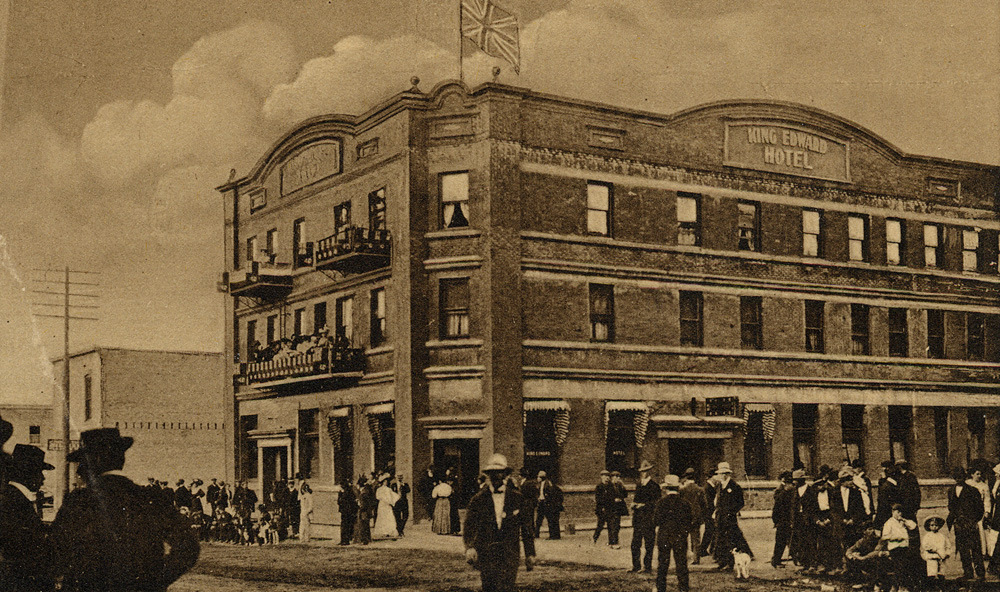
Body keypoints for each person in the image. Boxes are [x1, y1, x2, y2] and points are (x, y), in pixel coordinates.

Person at [51, 428, 199, 591]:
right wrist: (155, 581)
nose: (79, 470)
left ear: (96, 460)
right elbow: (188, 546)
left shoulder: (78, 501)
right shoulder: (150, 498)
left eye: (83, 462)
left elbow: (55, 552)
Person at [463, 453, 536, 592]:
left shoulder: (516, 498)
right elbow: (469, 525)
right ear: (488, 476)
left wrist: (530, 554)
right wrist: (470, 547)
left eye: (499, 473)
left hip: (510, 553)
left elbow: (527, 528)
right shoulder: (478, 499)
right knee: (489, 587)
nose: (496, 477)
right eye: (492, 473)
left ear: (505, 475)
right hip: (487, 553)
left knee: (507, 586)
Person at [0, 444, 55, 592]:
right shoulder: (14, 502)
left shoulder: (13, 497)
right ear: (27, 472)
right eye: (39, 472)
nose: (43, 478)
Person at [653, 475, 693, 592]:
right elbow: (689, 521)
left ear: (666, 489)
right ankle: (683, 588)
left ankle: (661, 588)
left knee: (663, 564)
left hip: (664, 537)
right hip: (680, 537)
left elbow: (655, 521)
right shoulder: (685, 503)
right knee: (681, 564)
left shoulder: (661, 503)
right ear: (677, 488)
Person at [947, 466, 985, 581]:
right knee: (963, 549)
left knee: (975, 549)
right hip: (959, 525)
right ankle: (968, 572)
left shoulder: (972, 491)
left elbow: (980, 509)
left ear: (964, 477)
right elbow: (951, 507)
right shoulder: (951, 491)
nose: (959, 479)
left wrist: (973, 521)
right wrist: (954, 520)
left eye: (961, 477)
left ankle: (980, 574)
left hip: (970, 524)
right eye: (956, 477)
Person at [712, 461, 748, 572]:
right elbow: (717, 500)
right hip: (720, 517)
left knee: (730, 540)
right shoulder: (719, 485)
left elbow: (740, 502)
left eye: (724, 473)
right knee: (720, 540)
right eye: (720, 473)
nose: (722, 475)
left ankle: (730, 563)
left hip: (729, 518)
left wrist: (731, 512)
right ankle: (722, 562)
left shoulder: (734, 486)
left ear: (728, 474)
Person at [630, 460, 661, 573]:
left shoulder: (654, 486)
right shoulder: (639, 485)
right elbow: (636, 500)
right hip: (638, 520)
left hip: (648, 520)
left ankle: (647, 567)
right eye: (642, 472)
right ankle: (636, 566)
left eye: (645, 471)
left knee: (649, 545)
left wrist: (643, 505)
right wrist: (634, 505)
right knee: (635, 544)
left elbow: (656, 504)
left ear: (649, 472)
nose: (643, 473)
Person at [880, 503, 917, 592]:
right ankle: (899, 586)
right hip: (895, 547)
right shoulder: (889, 523)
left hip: (904, 547)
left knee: (904, 566)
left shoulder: (903, 521)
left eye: (901, 512)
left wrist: (903, 520)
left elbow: (913, 526)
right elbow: (884, 536)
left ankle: (899, 586)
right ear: (893, 512)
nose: (900, 514)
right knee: (899, 566)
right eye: (898, 512)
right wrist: (896, 537)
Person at [679, 468, 706, 564]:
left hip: (685, 517)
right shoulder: (700, 490)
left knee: (684, 538)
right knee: (696, 538)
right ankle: (696, 559)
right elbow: (704, 505)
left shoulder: (682, 490)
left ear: (686, 478)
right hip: (696, 517)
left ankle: (684, 558)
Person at [770, 470, 796, 568]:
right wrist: (776, 521)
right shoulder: (780, 490)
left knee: (791, 540)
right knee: (781, 541)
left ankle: (796, 559)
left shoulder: (790, 489)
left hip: (788, 519)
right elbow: (777, 506)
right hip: (782, 520)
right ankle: (776, 560)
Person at [535, 471, 563, 539]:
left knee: (550, 519)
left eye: (538, 477)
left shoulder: (548, 484)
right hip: (541, 503)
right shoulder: (539, 484)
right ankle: (536, 534)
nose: (537, 478)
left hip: (547, 503)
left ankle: (553, 535)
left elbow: (550, 494)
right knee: (539, 519)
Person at [920, 516, 950, 580]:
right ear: (929, 526)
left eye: (936, 525)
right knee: (932, 573)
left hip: (942, 557)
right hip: (932, 557)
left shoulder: (942, 536)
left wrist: (947, 553)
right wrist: (933, 549)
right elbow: (925, 546)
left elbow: (948, 545)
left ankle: (941, 586)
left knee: (941, 573)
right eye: (932, 525)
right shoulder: (927, 536)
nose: (934, 527)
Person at [374, 473, 400, 539]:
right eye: (385, 482)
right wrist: (387, 500)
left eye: (386, 481)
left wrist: (393, 499)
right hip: (383, 504)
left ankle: (388, 531)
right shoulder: (380, 489)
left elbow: (391, 496)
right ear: (383, 482)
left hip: (385, 504)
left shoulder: (388, 489)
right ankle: (383, 531)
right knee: (383, 517)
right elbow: (378, 497)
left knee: (388, 517)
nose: (386, 483)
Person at [593, 470, 615, 545]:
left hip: (609, 508)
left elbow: (612, 496)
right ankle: (595, 538)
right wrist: (602, 507)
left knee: (611, 525)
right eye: (605, 476)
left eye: (608, 476)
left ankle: (611, 541)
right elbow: (598, 498)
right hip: (601, 509)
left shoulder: (610, 486)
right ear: (601, 477)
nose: (606, 478)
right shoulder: (599, 486)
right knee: (600, 525)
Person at [518, 469, 540, 537]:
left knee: (530, 518)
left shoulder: (528, 483)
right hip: (524, 503)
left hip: (528, 503)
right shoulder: (522, 482)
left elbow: (532, 494)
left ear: (521, 476)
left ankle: (531, 532)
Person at [337, 478, 358, 545]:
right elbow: (338, 502)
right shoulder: (342, 492)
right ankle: (343, 539)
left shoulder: (349, 492)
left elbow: (349, 502)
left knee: (346, 526)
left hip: (348, 512)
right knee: (343, 525)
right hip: (343, 511)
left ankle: (346, 540)